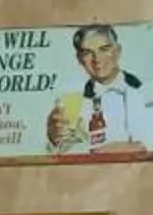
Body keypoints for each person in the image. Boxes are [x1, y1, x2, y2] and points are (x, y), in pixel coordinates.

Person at [48, 23, 146, 154]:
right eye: (87, 53)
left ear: (118, 51)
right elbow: (64, 152)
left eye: (104, 49)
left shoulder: (148, 91)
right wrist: (54, 138)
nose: (97, 59)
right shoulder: (70, 102)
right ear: (79, 59)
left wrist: (140, 148)